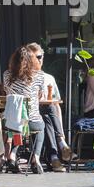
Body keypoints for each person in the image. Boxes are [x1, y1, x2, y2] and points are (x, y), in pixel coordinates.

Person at [27, 42, 71, 172]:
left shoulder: (48, 78)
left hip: (46, 114)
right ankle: (58, 150)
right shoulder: (24, 78)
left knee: (48, 114)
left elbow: (56, 104)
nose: (39, 60)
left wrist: (61, 130)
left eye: (40, 57)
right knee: (47, 115)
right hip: (29, 114)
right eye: (36, 57)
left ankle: (54, 157)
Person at [3, 45, 45, 174]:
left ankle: (12, 155)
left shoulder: (6, 75)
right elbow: (40, 96)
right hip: (30, 121)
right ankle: (35, 158)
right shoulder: (39, 75)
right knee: (40, 126)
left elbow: (7, 92)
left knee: (18, 127)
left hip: (10, 122)